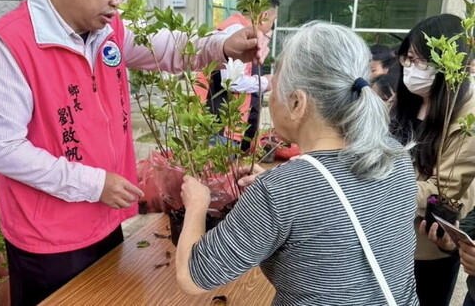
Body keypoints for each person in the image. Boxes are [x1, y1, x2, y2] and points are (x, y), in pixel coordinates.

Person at [0, 0, 267, 306]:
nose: (117, 1)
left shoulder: (108, 29)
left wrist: (223, 45)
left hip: (103, 217)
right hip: (48, 237)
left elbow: (167, 47)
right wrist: (94, 184)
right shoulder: (9, 46)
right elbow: (2, 148)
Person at [175, 21, 419, 305]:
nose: (269, 97)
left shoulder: (280, 190)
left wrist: (197, 204)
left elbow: (192, 277)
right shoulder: (396, 155)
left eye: (274, 88)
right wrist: (282, 187)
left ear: (296, 103)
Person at [389, 13, 475, 306]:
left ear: (447, 64)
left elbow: (445, 192)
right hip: (384, 235)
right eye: (407, 59)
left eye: (419, 60)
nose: (410, 68)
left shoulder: (465, 119)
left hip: (427, 246)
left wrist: (373, 188)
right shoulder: (401, 102)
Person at [196, 0, 279, 151]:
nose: (271, 27)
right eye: (273, 21)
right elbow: (232, 81)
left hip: (224, 126)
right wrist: (266, 82)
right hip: (219, 126)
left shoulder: (240, 30)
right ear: (264, 15)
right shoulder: (235, 31)